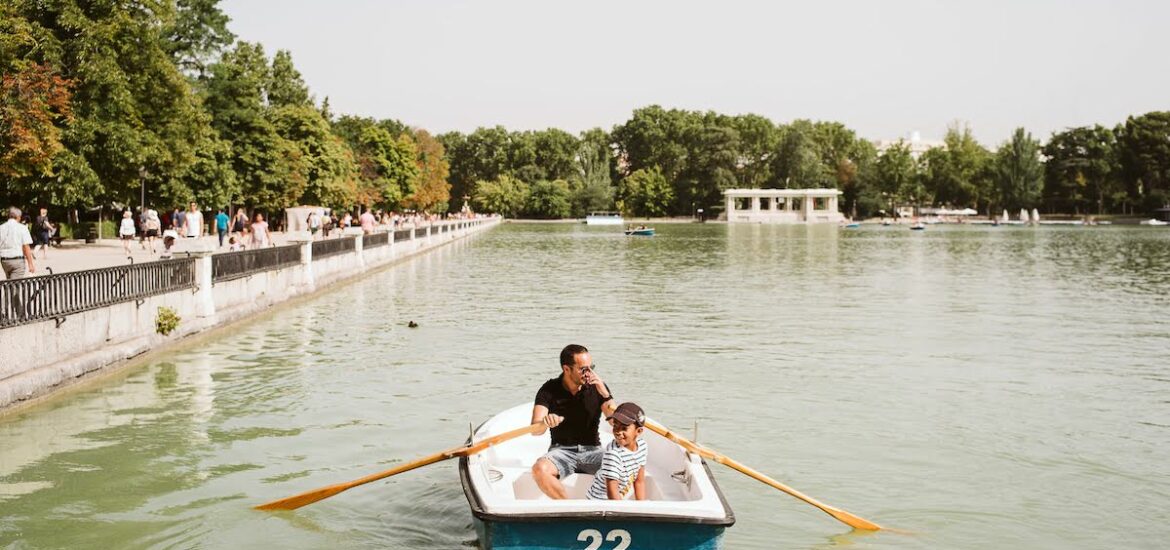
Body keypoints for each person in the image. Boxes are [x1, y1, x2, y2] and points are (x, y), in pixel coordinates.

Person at [531, 344, 618, 500]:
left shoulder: (597, 387)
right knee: (539, 469)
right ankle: (570, 508)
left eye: (591, 367)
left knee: (622, 464)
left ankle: (611, 510)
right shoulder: (549, 389)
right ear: (566, 369)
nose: (589, 373)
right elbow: (535, 430)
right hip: (561, 451)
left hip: (593, 451)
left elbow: (616, 423)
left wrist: (604, 393)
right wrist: (545, 422)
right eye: (583, 369)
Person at [586, 402, 648, 501]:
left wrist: (642, 506)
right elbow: (612, 493)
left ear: (639, 431)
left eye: (624, 428)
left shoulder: (642, 447)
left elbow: (639, 482)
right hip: (599, 502)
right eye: (615, 426)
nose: (618, 431)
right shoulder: (613, 454)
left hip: (617, 499)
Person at [1, 207, 36, 280]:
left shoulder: (1, 228)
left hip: (4, 260)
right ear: (18, 217)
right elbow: (26, 247)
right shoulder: (22, 228)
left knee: (9, 282)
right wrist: (30, 264)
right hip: (17, 260)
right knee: (15, 285)